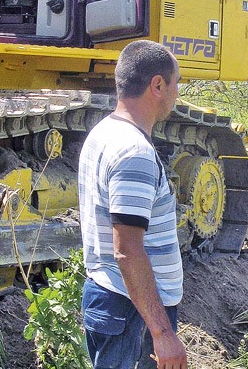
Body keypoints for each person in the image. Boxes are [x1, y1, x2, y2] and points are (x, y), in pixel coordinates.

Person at [79, 40, 188, 369]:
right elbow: (127, 250)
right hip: (131, 310)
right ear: (157, 85)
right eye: (176, 84)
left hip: (114, 300)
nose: (177, 94)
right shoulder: (134, 152)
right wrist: (162, 331)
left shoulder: (103, 133)